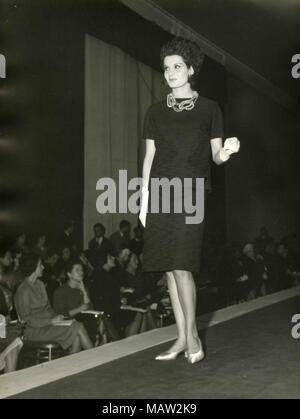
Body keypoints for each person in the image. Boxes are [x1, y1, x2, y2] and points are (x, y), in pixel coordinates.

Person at [139, 37, 240, 364]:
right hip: (161, 194)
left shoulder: (210, 108)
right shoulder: (155, 111)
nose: (170, 73)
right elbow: (149, 158)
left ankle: (194, 335)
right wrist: (144, 201)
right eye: (166, 68)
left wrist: (226, 151)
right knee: (168, 269)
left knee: (182, 266)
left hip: (191, 192)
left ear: (191, 69)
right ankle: (181, 338)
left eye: (177, 67)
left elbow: (216, 156)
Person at [14, 252, 93, 354]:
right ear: (33, 268)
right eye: (40, 265)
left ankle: (74, 366)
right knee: (77, 327)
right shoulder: (23, 290)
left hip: (47, 325)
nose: (43, 267)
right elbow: (26, 319)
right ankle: (95, 358)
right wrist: (51, 321)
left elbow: (48, 308)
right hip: (34, 330)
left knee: (75, 328)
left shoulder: (40, 284)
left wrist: (59, 318)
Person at [53, 260, 98, 345]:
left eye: (81, 270)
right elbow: (61, 313)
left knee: (100, 320)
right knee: (87, 324)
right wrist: (80, 309)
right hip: (67, 322)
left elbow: (89, 308)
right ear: (69, 274)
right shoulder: (60, 291)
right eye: (77, 270)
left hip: (83, 320)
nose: (81, 272)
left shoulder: (84, 288)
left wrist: (84, 291)